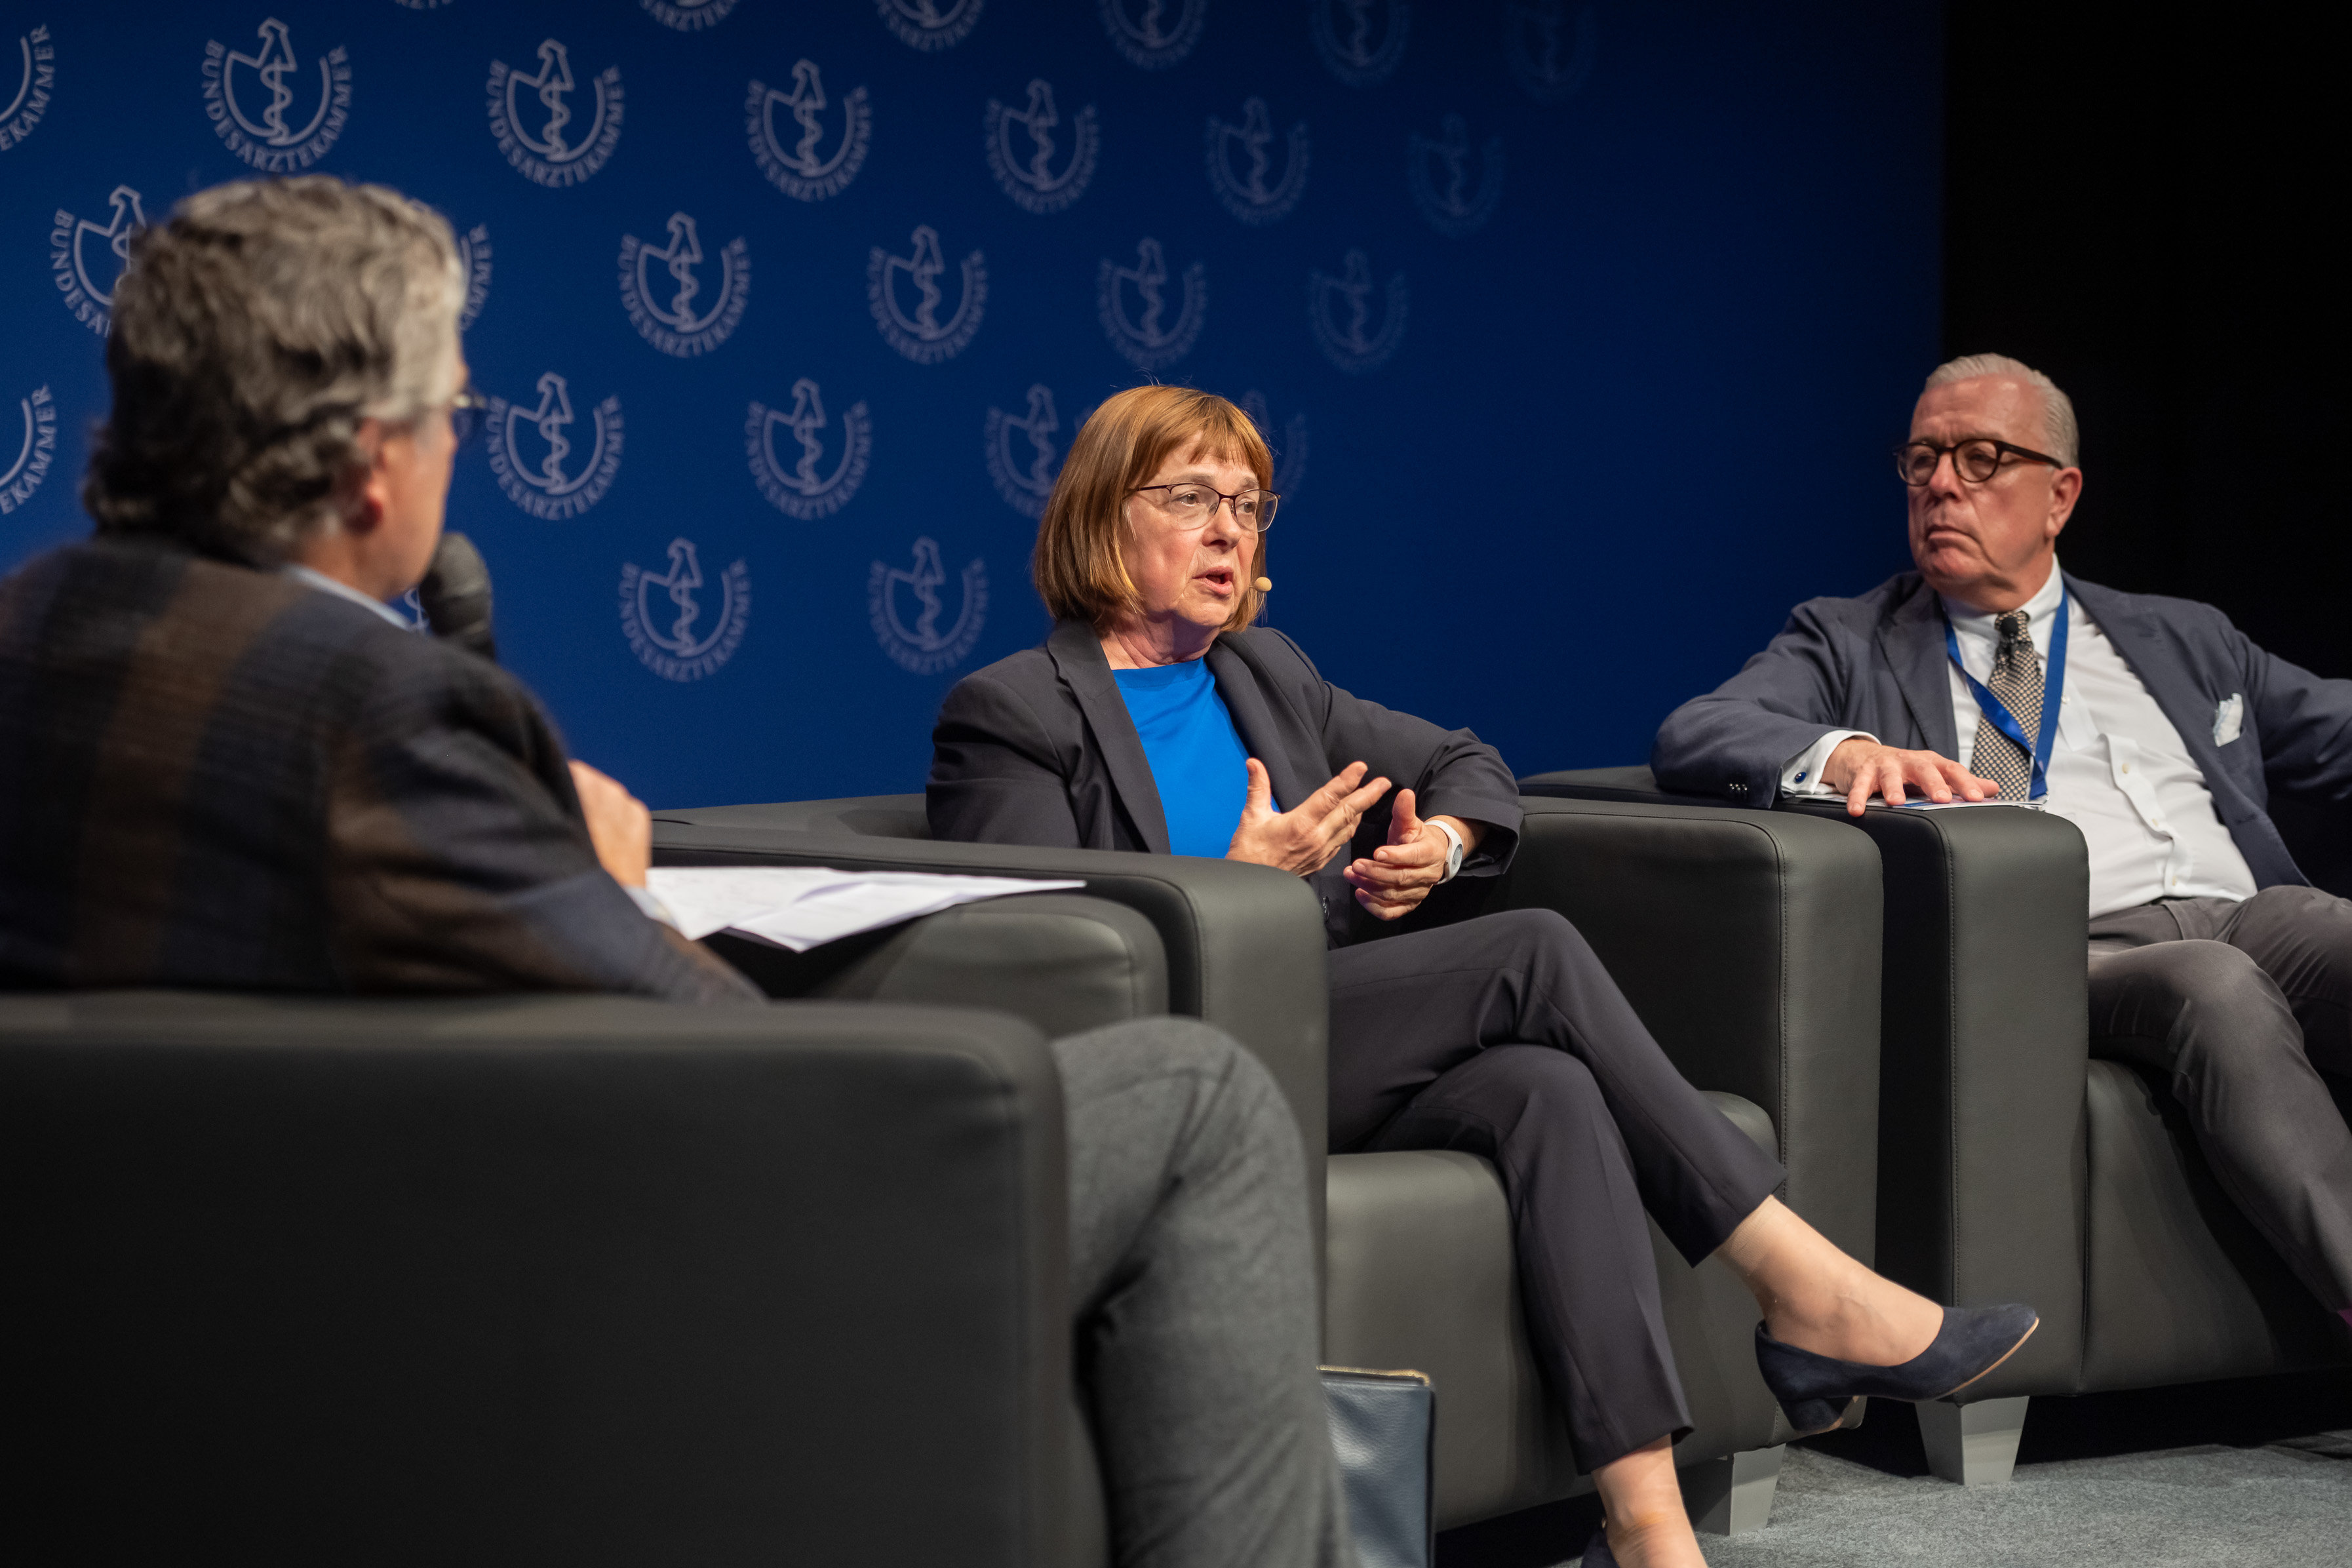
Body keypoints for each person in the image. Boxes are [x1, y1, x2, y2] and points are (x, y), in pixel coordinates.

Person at [0, 178, 1348, 1568]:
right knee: (1197, 1093)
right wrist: (621, 881)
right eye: (454, 416)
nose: (458, 448)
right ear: (367, 461)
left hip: (149, 1305)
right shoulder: (376, 710)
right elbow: (714, 1074)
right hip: (532, 1281)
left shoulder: (28, 634)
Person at [928, 383, 2039, 1568]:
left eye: (1249, 506)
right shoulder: (1011, 713)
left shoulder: (1268, 675)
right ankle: (1807, 1288)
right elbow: (1043, 963)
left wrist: (1440, 845)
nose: (1228, 533)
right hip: (1175, 1071)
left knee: (1541, 1092)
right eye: (1192, 498)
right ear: (1105, 513)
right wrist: (1235, 885)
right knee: (1532, 949)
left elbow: (1467, 761)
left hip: (1321, 1049)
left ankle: (1651, 1530)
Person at [1653, 352, 2352, 1332]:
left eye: (1981, 458)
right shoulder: (1851, 638)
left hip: (2251, 914)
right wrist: (1847, 752)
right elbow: (1700, 731)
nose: (1941, 484)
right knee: (2216, 988)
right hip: (2064, 949)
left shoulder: (2183, 637)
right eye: (1923, 460)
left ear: (2060, 495)